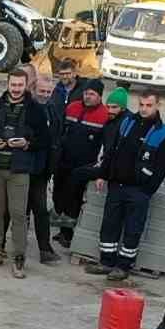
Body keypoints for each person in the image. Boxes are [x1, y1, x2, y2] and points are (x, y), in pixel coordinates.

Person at [84, 89, 165, 281]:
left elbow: (162, 167)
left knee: (133, 230)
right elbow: (111, 152)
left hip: (139, 191)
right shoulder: (127, 122)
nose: (144, 109)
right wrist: (104, 175)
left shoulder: (163, 132)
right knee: (109, 224)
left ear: (158, 106)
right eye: (141, 104)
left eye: (149, 105)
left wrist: (147, 191)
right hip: (117, 185)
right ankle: (106, 262)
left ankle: (123, 266)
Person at [0, 69, 53, 278]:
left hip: (19, 170)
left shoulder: (35, 110)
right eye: (13, 85)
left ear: (26, 85)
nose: (16, 89)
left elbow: (45, 140)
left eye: (20, 85)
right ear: (7, 84)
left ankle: (18, 258)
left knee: (19, 215)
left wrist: (28, 144)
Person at [54, 79, 111, 248]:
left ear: (100, 96)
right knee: (58, 194)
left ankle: (68, 234)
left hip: (83, 166)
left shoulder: (104, 115)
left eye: (92, 94)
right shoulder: (72, 107)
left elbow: (105, 144)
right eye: (86, 93)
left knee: (74, 199)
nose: (88, 96)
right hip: (63, 161)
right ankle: (61, 228)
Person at [27, 75, 63, 264]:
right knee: (16, 210)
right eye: (42, 91)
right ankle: (1, 247)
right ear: (33, 89)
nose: (45, 95)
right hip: (23, 169)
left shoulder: (52, 110)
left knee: (40, 210)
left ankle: (45, 249)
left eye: (49, 92)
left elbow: (56, 140)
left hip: (41, 172)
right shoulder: (25, 109)